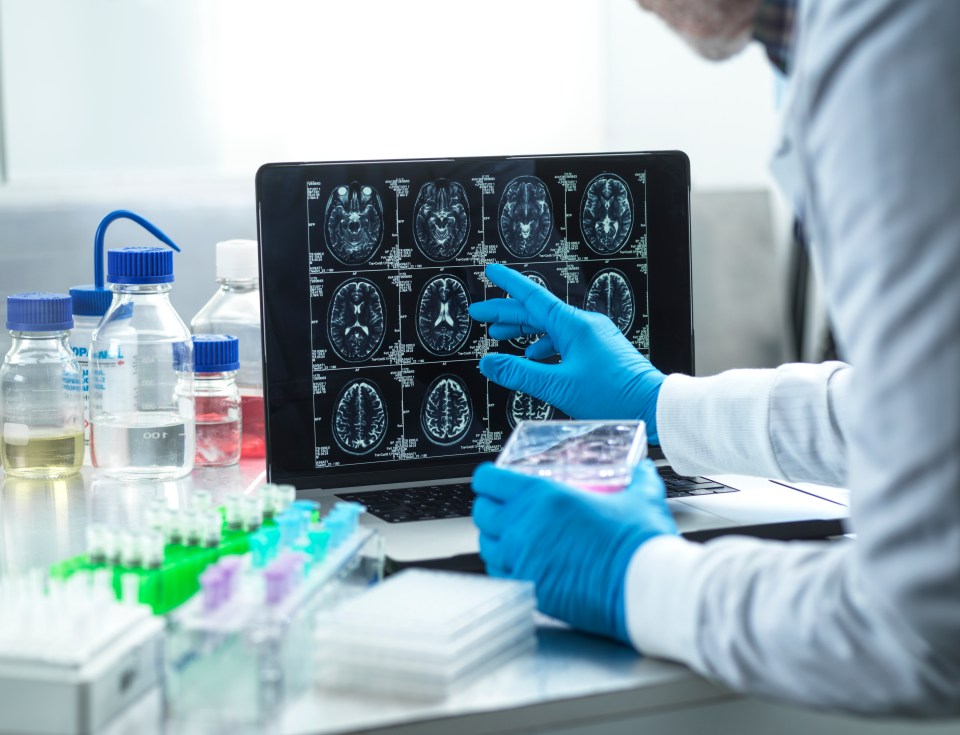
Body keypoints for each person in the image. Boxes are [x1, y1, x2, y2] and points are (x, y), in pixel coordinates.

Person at [469, 0, 960, 715]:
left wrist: (635, 576)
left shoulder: (893, 39)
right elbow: (920, 410)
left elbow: (925, 624)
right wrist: (658, 402)